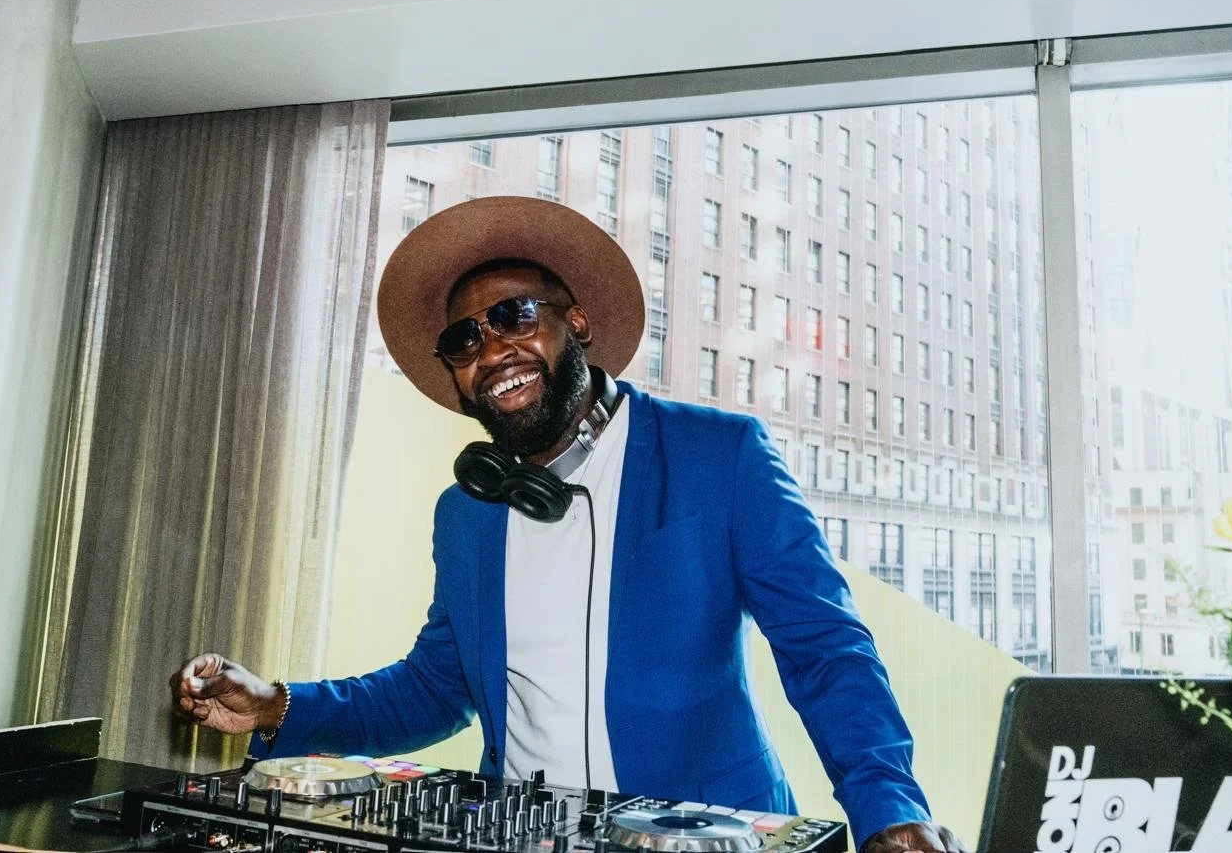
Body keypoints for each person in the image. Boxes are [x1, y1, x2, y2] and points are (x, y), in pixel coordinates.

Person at [172, 196, 967, 853]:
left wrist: (887, 806)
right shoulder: (467, 512)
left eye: (515, 315)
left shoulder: (716, 457)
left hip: (708, 837)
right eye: (465, 339)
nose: (494, 349)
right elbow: (437, 688)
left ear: (576, 323)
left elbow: (824, 647)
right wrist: (278, 705)